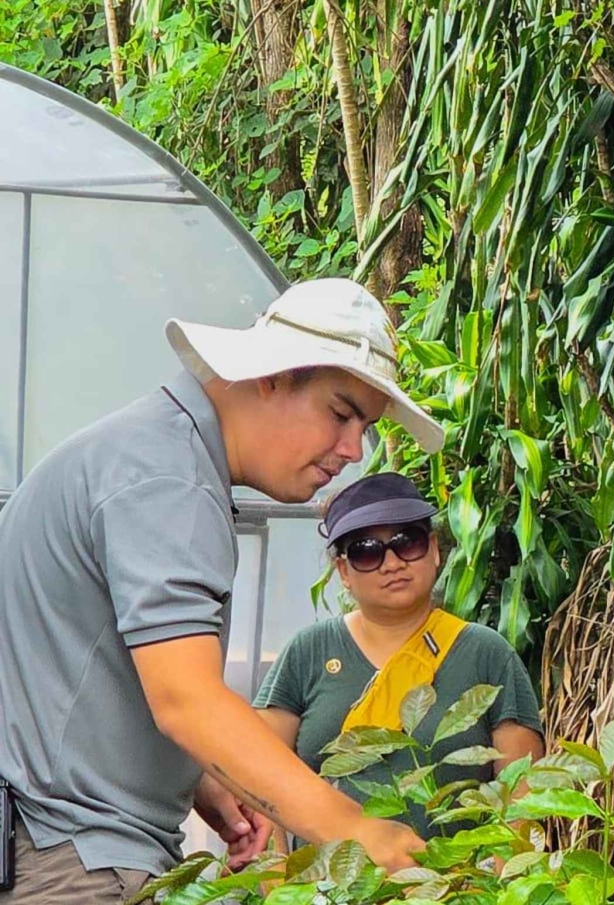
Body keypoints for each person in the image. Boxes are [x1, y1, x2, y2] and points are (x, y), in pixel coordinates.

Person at [0, 279, 446, 903]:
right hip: (78, 862)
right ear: (271, 375)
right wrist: (356, 831)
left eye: (365, 427)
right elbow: (186, 699)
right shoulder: (168, 482)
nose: (351, 450)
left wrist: (208, 777)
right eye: (341, 414)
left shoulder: (137, 452)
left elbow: (67, 669)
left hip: (55, 844)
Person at [253, 472, 544, 842]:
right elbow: (258, 781)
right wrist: (276, 891)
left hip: (452, 891)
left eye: (407, 544)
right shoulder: (308, 652)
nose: (391, 563)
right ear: (343, 571)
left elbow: (520, 799)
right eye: (366, 551)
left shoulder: (486, 653)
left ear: (434, 549)